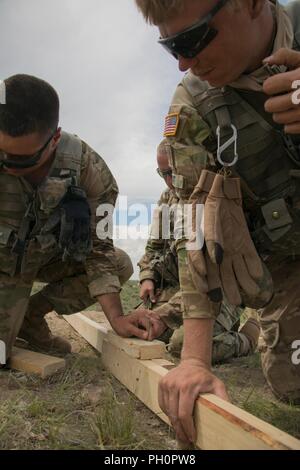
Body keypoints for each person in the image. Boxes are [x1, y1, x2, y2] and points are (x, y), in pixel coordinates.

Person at [135, 0, 300, 444]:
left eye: (192, 40)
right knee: (293, 383)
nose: (185, 63)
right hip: (287, 259)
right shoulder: (192, 104)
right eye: (172, 49)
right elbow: (195, 227)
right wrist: (194, 360)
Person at [0, 74, 160, 362]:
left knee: (119, 262)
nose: (9, 166)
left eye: (22, 160)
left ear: (55, 139)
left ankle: (30, 316)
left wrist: (117, 319)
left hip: (46, 258)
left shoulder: (92, 173)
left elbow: (99, 251)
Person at [138, 139, 260, 361]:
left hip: (221, 291)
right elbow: (154, 247)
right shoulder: (168, 198)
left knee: (181, 345)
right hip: (181, 289)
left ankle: (249, 336)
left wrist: (163, 315)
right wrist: (148, 278)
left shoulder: (218, 198)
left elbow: (212, 276)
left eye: (172, 173)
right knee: (140, 324)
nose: (168, 182)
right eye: (161, 173)